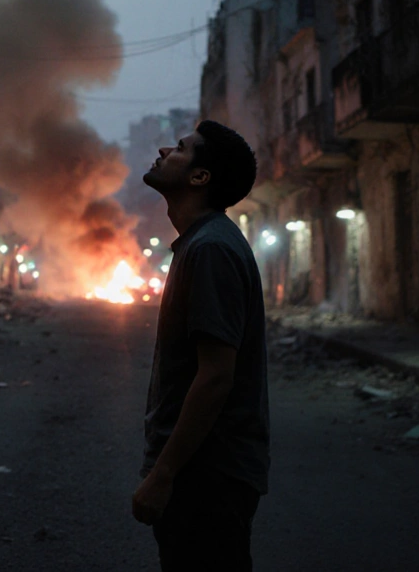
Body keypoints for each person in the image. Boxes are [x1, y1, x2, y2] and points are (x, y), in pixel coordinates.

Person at [131, 119, 269, 571]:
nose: (166, 149)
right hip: (206, 473)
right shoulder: (202, 243)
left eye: (183, 148)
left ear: (199, 177)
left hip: (207, 477)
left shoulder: (210, 248)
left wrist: (164, 474)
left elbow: (215, 376)